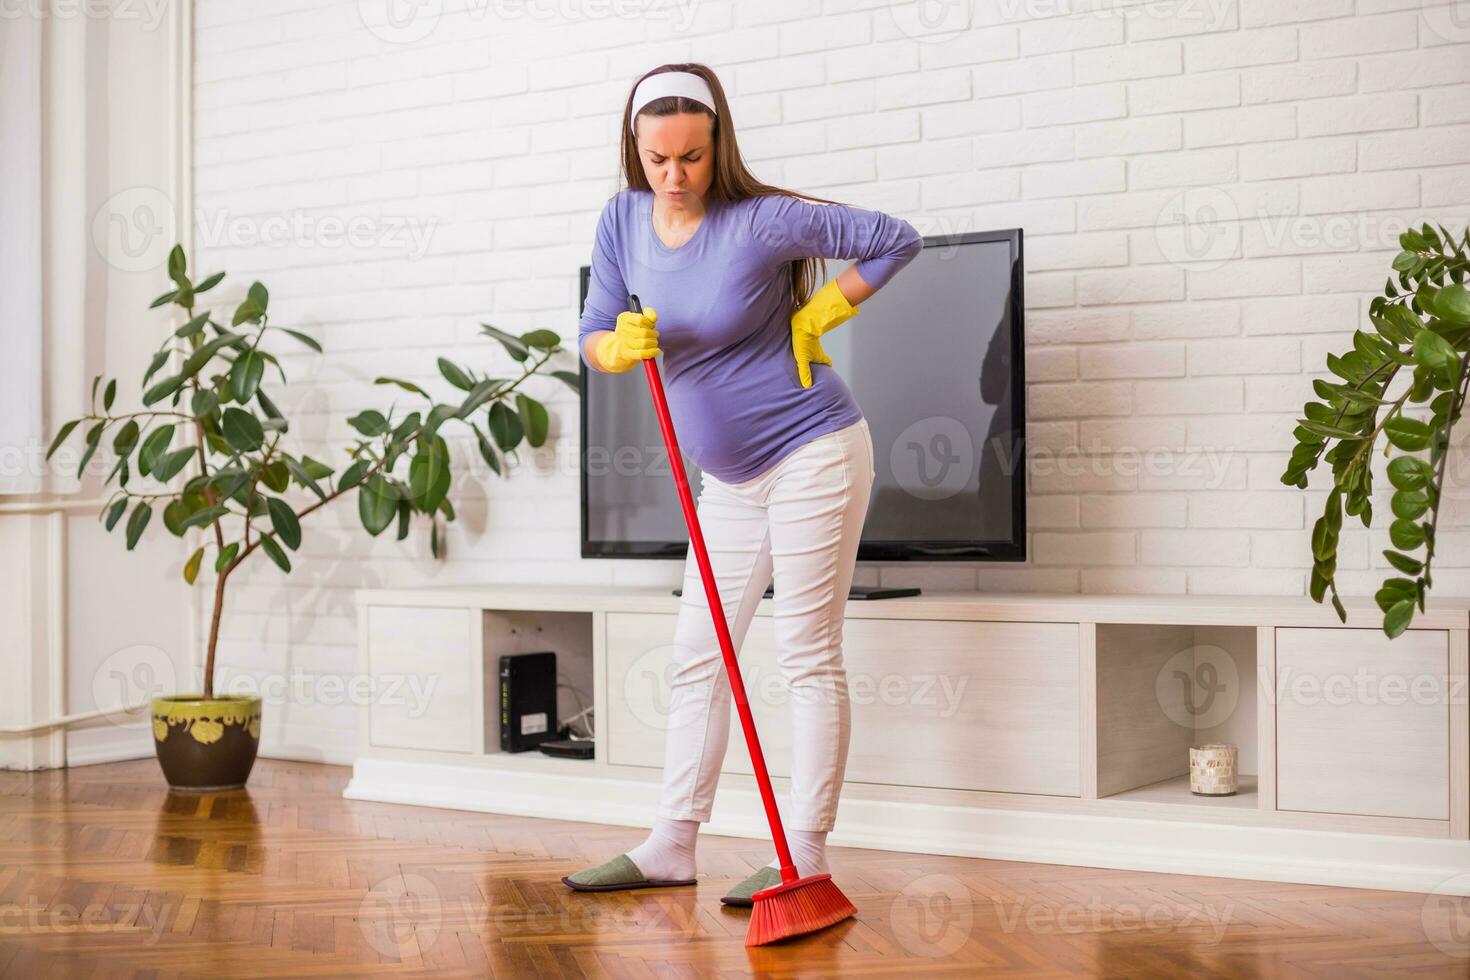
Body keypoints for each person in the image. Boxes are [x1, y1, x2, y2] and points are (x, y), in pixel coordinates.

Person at [562, 63, 922, 907]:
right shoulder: (622, 219)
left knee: (805, 655)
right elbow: (589, 330)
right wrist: (616, 348)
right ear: (635, 151)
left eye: (691, 156)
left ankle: (804, 856)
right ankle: (672, 844)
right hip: (726, 478)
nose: (676, 177)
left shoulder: (762, 221)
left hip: (813, 451)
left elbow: (896, 237)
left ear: (717, 144)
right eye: (658, 159)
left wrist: (823, 309)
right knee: (697, 655)